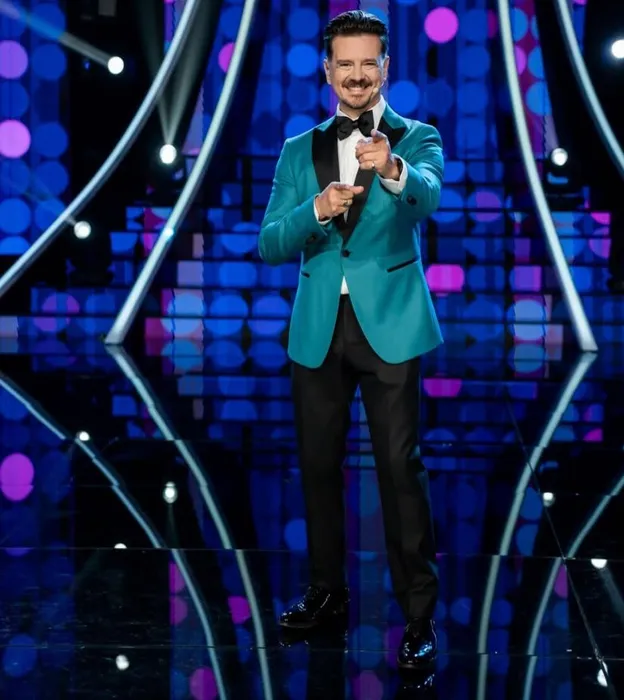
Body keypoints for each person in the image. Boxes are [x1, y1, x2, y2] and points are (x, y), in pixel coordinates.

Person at [258, 10, 443, 669]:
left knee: (398, 468)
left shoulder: (417, 136)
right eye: (346, 63)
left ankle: (418, 616)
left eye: (369, 63)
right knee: (317, 467)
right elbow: (270, 242)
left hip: (390, 322)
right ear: (327, 70)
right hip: (318, 328)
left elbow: (428, 198)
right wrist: (315, 210)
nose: (358, 75)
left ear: (385, 68)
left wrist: (392, 167)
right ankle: (327, 593)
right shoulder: (296, 150)